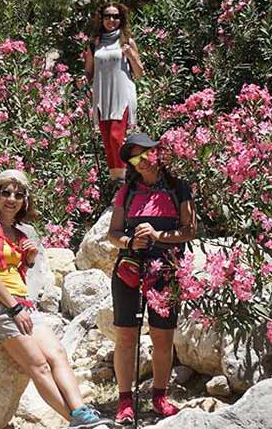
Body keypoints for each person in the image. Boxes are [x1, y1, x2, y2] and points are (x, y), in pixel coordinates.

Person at [0, 170, 111, 428]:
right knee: (38, 364)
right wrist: (14, 309)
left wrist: (30, 257)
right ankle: (75, 421)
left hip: (22, 303)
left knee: (57, 352)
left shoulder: (19, 231)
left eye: (18, 194)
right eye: (6, 193)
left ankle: (81, 411)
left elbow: (14, 270)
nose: (11, 199)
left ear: (25, 200)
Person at [106, 133, 197, 424]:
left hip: (167, 269)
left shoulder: (178, 188)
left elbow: (189, 229)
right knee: (126, 336)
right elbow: (113, 234)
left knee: (162, 335)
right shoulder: (127, 191)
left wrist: (159, 236)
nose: (141, 161)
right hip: (130, 269)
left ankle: (159, 397)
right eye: (135, 157)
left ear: (158, 152)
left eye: (146, 153)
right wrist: (131, 242)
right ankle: (125, 402)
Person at [83, 3, 144, 184]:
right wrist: (82, 81)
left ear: (121, 19)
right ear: (101, 19)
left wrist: (131, 55)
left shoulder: (127, 42)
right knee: (108, 140)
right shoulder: (95, 44)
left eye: (116, 16)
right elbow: (89, 72)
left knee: (117, 137)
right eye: (108, 16)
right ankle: (117, 182)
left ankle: (127, 178)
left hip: (121, 95)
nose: (112, 20)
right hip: (102, 96)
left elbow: (139, 72)